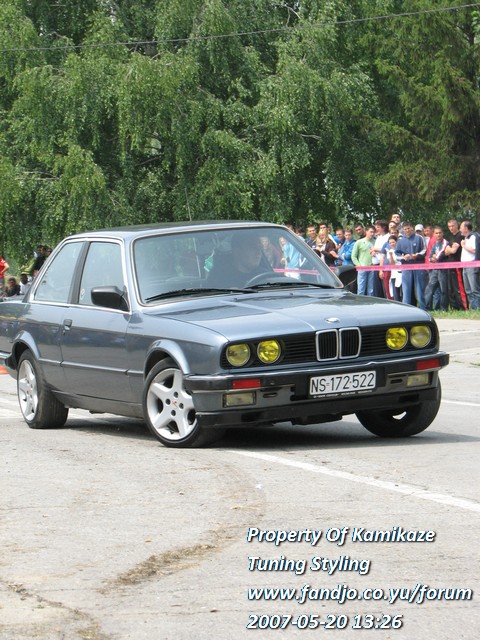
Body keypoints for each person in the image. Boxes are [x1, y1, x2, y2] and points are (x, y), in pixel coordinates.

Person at [394, 221, 427, 309]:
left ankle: (423, 308)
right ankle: (406, 308)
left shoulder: (419, 238)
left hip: (418, 266)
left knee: (420, 289)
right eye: (405, 229)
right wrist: (403, 257)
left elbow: (424, 250)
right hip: (406, 268)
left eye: (408, 228)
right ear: (403, 230)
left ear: (412, 228)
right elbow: (396, 255)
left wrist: (416, 255)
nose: (407, 230)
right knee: (406, 290)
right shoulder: (400, 241)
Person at [424, 226, 449, 311]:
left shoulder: (445, 243)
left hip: (443, 270)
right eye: (436, 233)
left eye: (440, 233)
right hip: (435, 270)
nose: (438, 235)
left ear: (443, 233)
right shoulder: (435, 245)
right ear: (434, 234)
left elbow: (441, 254)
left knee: (443, 290)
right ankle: (428, 308)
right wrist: (433, 258)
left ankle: (443, 309)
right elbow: (430, 257)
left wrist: (436, 257)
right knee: (429, 289)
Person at [444, 219, 468, 310]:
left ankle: (463, 307)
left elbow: (453, 250)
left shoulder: (460, 236)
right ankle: (454, 308)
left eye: (452, 226)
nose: (451, 228)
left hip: (457, 265)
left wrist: (449, 249)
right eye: (449, 226)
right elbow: (445, 252)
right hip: (450, 265)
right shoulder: (451, 237)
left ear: (457, 225)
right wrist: (449, 249)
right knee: (451, 288)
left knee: (459, 288)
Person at [459, 220, 480, 309]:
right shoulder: (466, 238)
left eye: (461, 227)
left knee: (475, 289)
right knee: (468, 290)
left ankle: (478, 308)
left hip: (472, 265)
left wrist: (464, 246)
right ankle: (473, 308)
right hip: (465, 266)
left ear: (466, 228)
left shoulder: (473, 236)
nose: (460, 229)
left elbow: (474, 250)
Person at [351, 225, 375, 296]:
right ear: (366, 231)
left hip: (372, 268)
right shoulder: (359, 242)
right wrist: (359, 265)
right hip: (362, 268)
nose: (372, 234)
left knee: (371, 290)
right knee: (361, 289)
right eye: (371, 232)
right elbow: (353, 256)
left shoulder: (375, 242)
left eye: (373, 232)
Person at [379, 235, 402, 301]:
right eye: (390, 243)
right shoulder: (390, 251)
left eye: (393, 242)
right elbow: (392, 263)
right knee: (395, 291)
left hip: (403, 272)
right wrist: (391, 255)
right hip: (394, 273)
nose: (392, 244)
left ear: (396, 241)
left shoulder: (401, 249)